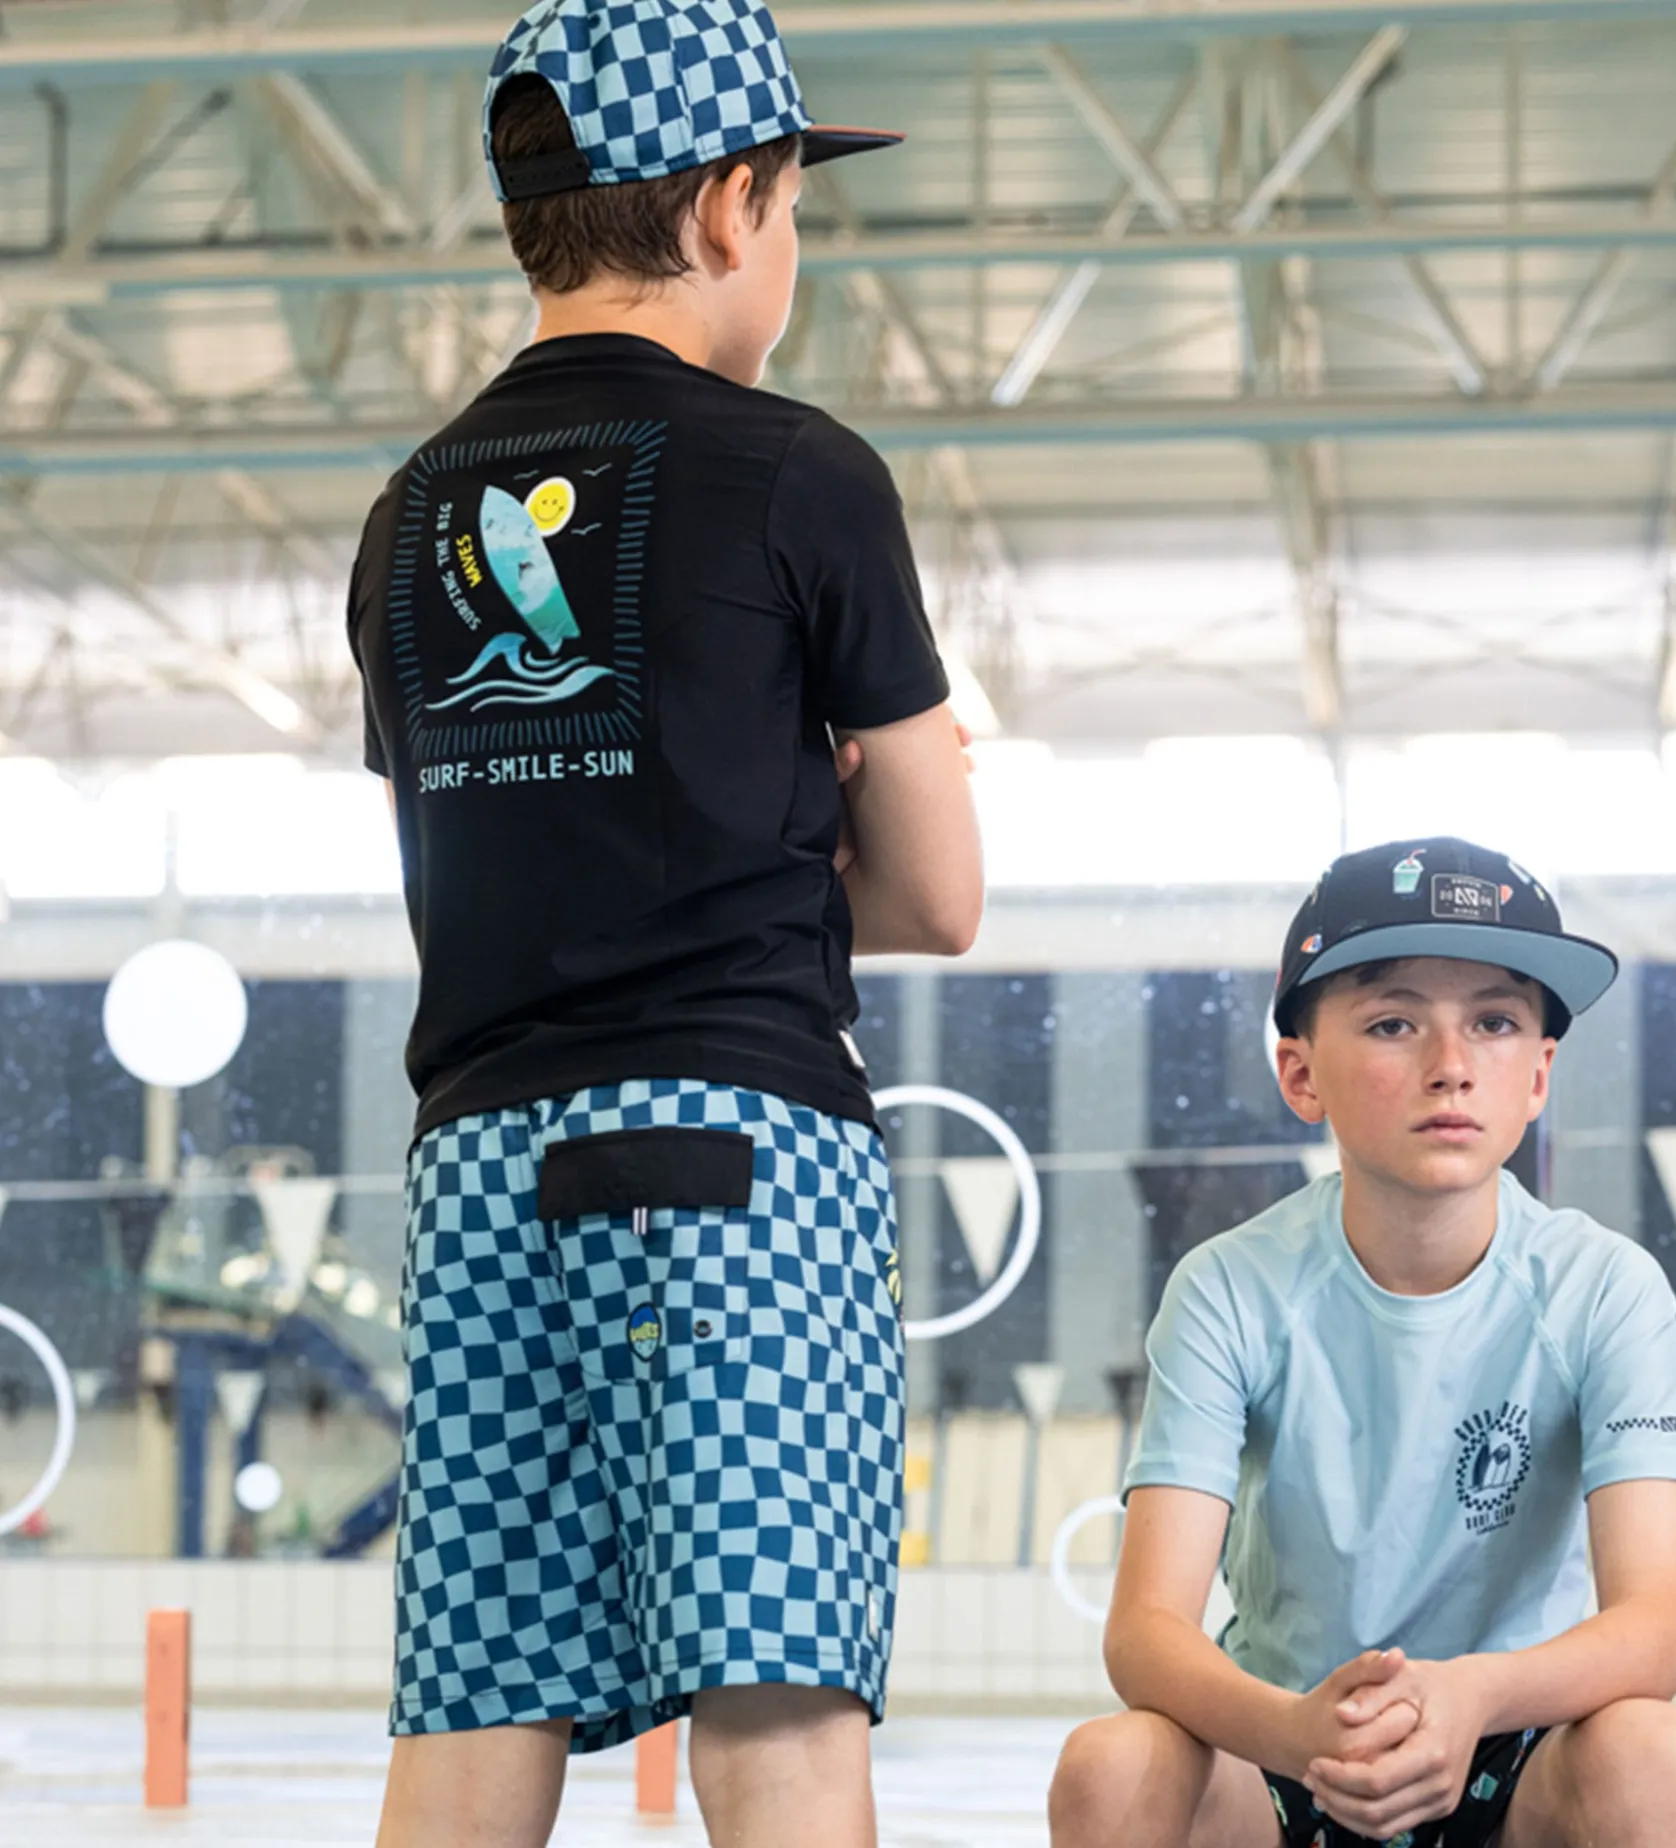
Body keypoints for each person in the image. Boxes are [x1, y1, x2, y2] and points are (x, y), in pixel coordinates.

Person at [344, 3, 982, 1843]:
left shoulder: (404, 519)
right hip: (736, 1152)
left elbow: (465, 864)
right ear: (725, 207)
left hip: (479, 1168)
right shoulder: (800, 473)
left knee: (480, 1702)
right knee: (776, 1701)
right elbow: (937, 896)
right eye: (791, 208)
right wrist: (814, 820)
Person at [1048, 837, 1676, 1848]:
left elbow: (1656, 1626)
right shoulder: (1231, 1289)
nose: (1451, 1068)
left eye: (1495, 1023)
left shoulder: (1603, 1289)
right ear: (1300, 1073)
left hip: (1512, 1747)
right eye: (1393, 1023)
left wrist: (1474, 1693)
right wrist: (1294, 1730)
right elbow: (1144, 1632)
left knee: (1663, 1757)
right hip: (1288, 1748)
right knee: (1111, 1766)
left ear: (1539, 1074)